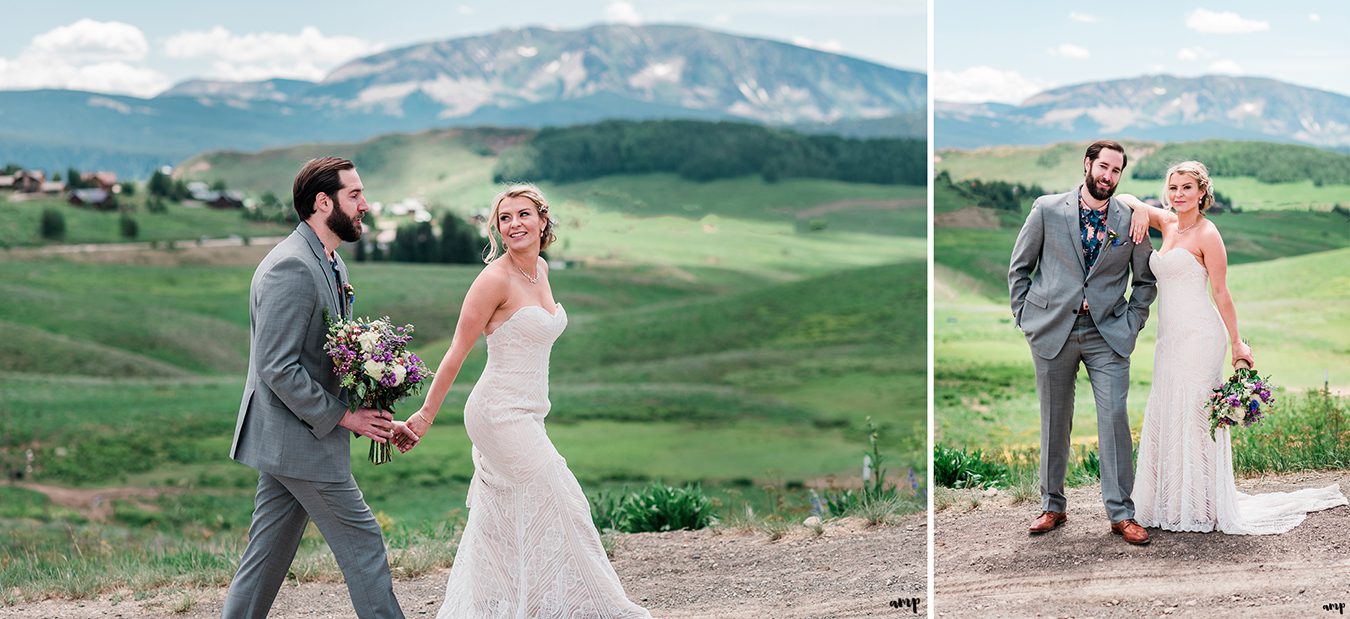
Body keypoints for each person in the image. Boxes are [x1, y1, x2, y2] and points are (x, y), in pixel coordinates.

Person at [398, 184, 652, 617]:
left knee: (498, 523)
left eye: (523, 214)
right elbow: (456, 351)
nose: (514, 224)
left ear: (542, 220)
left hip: (530, 414)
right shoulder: (493, 280)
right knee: (563, 498)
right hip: (497, 413)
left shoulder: (542, 271)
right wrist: (424, 417)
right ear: (497, 229)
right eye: (504, 218)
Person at [224, 157, 414, 618]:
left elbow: (330, 357)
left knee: (267, 555)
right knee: (363, 541)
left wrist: (377, 405)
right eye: (355, 195)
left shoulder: (331, 263)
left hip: (292, 440)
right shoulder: (290, 268)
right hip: (299, 440)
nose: (365, 205)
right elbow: (277, 365)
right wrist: (347, 417)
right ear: (322, 202)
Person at [1117, 161, 1346, 534]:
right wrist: (1142, 208)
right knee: (1169, 408)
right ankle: (1172, 501)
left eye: (1187, 188)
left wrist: (1238, 343)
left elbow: (1222, 293)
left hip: (1201, 336)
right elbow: (1124, 197)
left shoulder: (1208, 234)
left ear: (1202, 192)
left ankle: (1202, 505)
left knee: (1195, 414)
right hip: (1169, 340)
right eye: (1173, 187)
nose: (1178, 194)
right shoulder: (1168, 222)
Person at [1008, 140, 1158, 545]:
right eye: (1103, 167)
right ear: (1087, 164)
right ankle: (1052, 506)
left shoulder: (1132, 219)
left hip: (1108, 333)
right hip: (1051, 328)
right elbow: (1020, 268)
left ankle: (1121, 514)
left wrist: (1132, 321)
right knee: (1054, 420)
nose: (1108, 176)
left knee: (1113, 419)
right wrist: (1026, 318)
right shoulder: (1047, 209)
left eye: (1116, 171)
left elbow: (1145, 282)